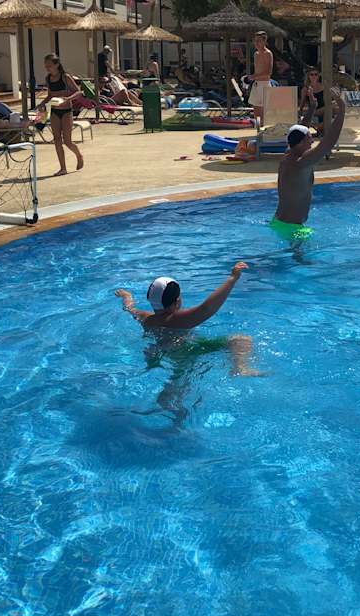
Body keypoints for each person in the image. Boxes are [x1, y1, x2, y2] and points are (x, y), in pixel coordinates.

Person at [115, 262, 259, 391]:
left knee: (179, 380)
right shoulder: (176, 319)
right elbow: (207, 308)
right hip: (185, 349)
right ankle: (241, 368)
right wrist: (232, 278)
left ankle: (168, 397)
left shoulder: (146, 318)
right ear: (177, 301)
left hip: (162, 351)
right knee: (241, 340)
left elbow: (129, 308)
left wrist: (126, 296)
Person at [270, 89, 346, 241]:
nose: (312, 141)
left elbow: (300, 129)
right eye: (309, 139)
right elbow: (328, 143)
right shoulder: (300, 163)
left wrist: (312, 107)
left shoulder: (289, 153)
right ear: (299, 143)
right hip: (292, 229)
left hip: (280, 222)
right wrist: (342, 111)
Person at [36, 54, 84, 176]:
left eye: (49, 66)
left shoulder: (65, 77)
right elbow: (50, 95)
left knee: (67, 141)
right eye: (46, 66)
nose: (47, 68)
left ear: (57, 65)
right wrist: (42, 104)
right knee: (57, 139)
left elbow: (79, 92)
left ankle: (78, 155)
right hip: (54, 111)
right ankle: (63, 168)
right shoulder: (48, 79)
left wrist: (68, 98)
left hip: (66, 111)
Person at [249, 31, 274, 122]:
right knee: (256, 113)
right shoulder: (256, 54)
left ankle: (263, 128)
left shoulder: (268, 53)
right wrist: (251, 77)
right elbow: (257, 71)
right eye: (255, 41)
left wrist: (254, 77)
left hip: (264, 84)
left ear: (264, 41)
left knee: (263, 114)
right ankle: (258, 129)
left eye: (258, 41)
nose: (256, 43)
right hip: (256, 84)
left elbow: (268, 72)